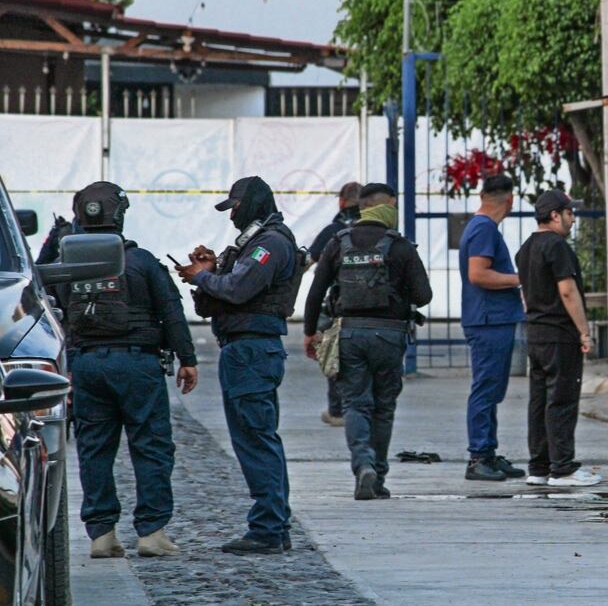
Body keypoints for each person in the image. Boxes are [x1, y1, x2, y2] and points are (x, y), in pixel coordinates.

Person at [67, 181, 198, 559]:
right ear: (119, 215)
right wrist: (187, 359)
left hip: (88, 365)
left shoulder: (69, 263)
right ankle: (152, 532)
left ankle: (101, 534)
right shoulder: (141, 262)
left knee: (94, 448)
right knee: (152, 446)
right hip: (138, 363)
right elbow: (171, 311)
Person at [175, 176, 303, 555]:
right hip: (244, 350)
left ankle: (267, 529)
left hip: (251, 352)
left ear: (250, 206)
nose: (231, 216)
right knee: (258, 438)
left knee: (256, 440)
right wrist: (209, 271)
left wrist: (204, 276)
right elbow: (227, 289)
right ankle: (273, 525)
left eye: (234, 207)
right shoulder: (256, 243)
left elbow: (236, 290)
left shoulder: (270, 244)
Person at [302, 182, 432, 500]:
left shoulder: (339, 242)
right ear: (384, 206)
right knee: (383, 408)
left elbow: (316, 291)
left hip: (350, 333)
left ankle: (363, 465)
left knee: (355, 404)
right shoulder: (399, 246)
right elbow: (424, 296)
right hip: (389, 335)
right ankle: (380, 477)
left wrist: (310, 332)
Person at [516, 189, 602, 488]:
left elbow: (525, 296)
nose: (573, 220)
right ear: (555, 215)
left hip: (536, 333)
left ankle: (538, 467)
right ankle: (563, 468)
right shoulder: (557, 247)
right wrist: (584, 331)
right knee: (562, 400)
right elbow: (567, 291)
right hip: (560, 334)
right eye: (569, 213)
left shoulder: (525, 249)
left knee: (538, 401)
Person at [458, 175, 526, 481]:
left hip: (492, 319)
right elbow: (479, 274)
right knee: (485, 389)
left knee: (492, 388)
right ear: (510, 200)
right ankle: (478, 456)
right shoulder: (484, 228)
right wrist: (519, 279)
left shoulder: (482, 227)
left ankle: (488, 451)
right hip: (488, 320)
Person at [308, 181, 363, 427]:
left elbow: (308, 261)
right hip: (374, 309)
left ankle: (337, 411)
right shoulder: (379, 231)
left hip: (337, 306)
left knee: (334, 356)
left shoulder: (333, 230)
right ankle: (363, 409)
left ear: (341, 201)